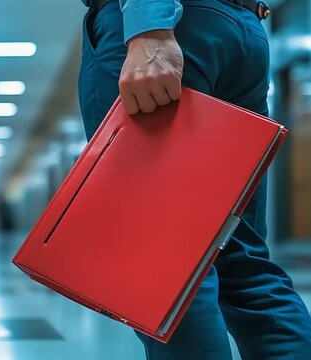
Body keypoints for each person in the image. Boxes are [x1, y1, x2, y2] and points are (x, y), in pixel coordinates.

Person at [79, 0, 311, 358]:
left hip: (172, 26)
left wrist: (149, 27)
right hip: (243, 28)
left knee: (165, 265)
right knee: (241, 258)